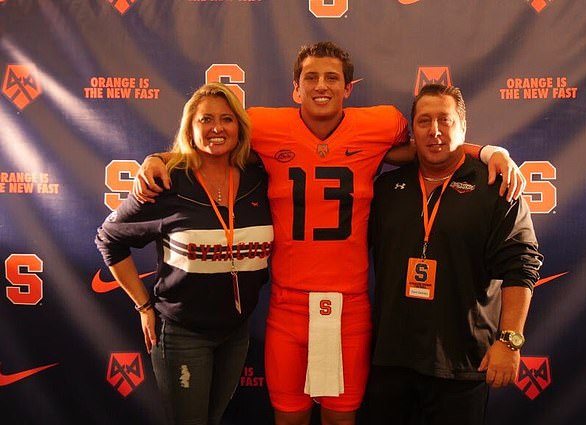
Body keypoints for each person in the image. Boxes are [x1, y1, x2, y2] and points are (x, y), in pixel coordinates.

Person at [132, 42, 525, 425]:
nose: (322, 85)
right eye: (312, 77)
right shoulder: (264, 124)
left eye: (332, 78)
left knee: (342, 416)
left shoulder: (379, 125)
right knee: (290, 415)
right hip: (288, 304)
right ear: (296, 88)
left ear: (348, 88)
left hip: (349, 305)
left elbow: (430, 145)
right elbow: (214, 144)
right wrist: (160, 158)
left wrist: (487, 152)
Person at [95, 82, 274, 425]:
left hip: (236, 332)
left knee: (214, 418)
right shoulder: (166, 182)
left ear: (240, 127)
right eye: (206, 119)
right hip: (183, 333)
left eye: (227, 119)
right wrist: (143, 305)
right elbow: (109, 238)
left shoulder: (258, 179)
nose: (217, 128)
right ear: (190, 130)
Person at [363, 83, 543, 425]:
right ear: (412, 133)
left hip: (462, 363)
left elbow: (521, 266)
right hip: (390, 362)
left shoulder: (497, 187)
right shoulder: (386, 189)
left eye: (444, 121)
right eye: (424, 122)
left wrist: (510, 341)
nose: (434, 131)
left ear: (462, 128)